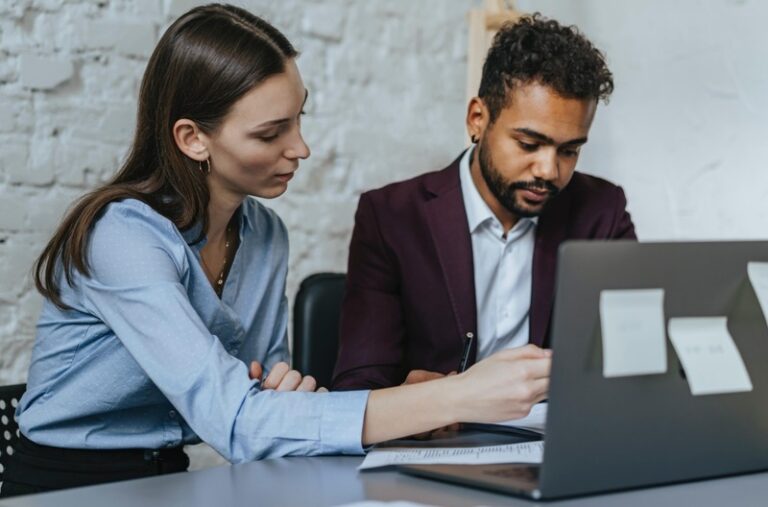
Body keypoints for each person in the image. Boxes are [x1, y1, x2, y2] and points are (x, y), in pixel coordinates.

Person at [0, 4, 552, 498]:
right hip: (61, 487)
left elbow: (267, 398)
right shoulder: (121, 238)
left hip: (170, 477)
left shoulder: (264, 234)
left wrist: (283, 396)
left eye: (299, 118)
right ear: (193, 138)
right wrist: (454, 397)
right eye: (271, 134)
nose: (301, 148)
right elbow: (240, 422)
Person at [332, 14, 636, 391]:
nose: (548, 170)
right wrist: (417, 402)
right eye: (528, 144)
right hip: (435, 442)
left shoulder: (602, 212)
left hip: (550, 441)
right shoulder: (391, 217)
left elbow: (633, 360)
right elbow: (359, 383)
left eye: (569, 151)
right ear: (477, 119)